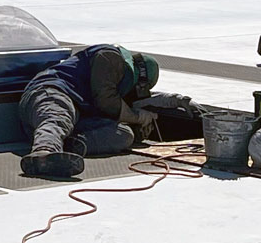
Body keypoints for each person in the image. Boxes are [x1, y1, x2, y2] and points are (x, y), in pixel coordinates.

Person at [18, 44, 162, 178]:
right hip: (52, 93)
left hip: (76, 114)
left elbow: (107, 111)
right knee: (59, 117)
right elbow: (106, 101)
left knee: (123, 134)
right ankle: (44, 152)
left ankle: (68, 149)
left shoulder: (112, 80)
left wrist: (136, 131)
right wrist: (137, 117)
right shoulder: (110, 57)